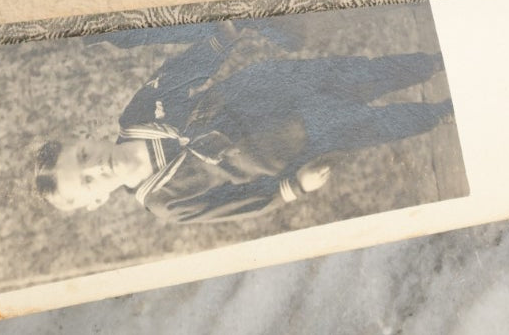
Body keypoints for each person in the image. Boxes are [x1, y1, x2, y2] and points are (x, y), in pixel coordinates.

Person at [33, 22, 453, 222]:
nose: (96, 167)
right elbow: (235, 205)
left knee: (362, 75)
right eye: (87, 181)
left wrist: (223, 37)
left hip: (272, 86)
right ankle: (441, 112)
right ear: (96, 200)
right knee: (371, 124)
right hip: (289, 142)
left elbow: (185, 72)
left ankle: (435, 62)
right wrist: (294, 186)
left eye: (83, 155)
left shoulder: (137, 116)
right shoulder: (165, 203)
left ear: (86, 137)